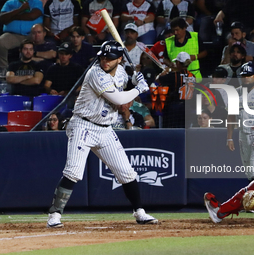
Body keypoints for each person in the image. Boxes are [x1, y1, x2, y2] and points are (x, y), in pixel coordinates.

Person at [46, 40, 158, 228]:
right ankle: (54, 215)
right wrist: (139, 88)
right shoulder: (96, 73)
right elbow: (119, 98)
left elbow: (127, 80)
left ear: (119, 59)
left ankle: (139, 212)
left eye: (110, 58)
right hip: (83, 125)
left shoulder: (121, 70)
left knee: (126, 172)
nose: (105, 61)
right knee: (73, 171)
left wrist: (138, 78)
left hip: (105, 128)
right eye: (103, 57)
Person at [0, 0, 44, 78]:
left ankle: (37, 69)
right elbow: (2, 19)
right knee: (0, 42)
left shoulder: (36, 2)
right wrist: (20, 10)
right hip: (13, 35)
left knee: (39, 35)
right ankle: (4, 69)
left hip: (31, 35)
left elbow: (32, 16)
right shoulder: (9, 3)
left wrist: (12, 16)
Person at [157, 51, 196, 128]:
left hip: (174, 106)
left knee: (173, 129)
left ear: (178, 63)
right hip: (189, 106)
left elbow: (158, 80)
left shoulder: (172, 75)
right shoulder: (193, 76)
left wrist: (164, 72)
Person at [163, 17, 207, 82]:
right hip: (177, 76)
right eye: (173, 30)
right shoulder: (169, 41)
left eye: (177, 30)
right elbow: (165, 58)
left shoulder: (195, 37)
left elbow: (205, 52)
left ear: (184, 28)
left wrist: (194, 57)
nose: (175, 33)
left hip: (195, 75)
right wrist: (170, 64)